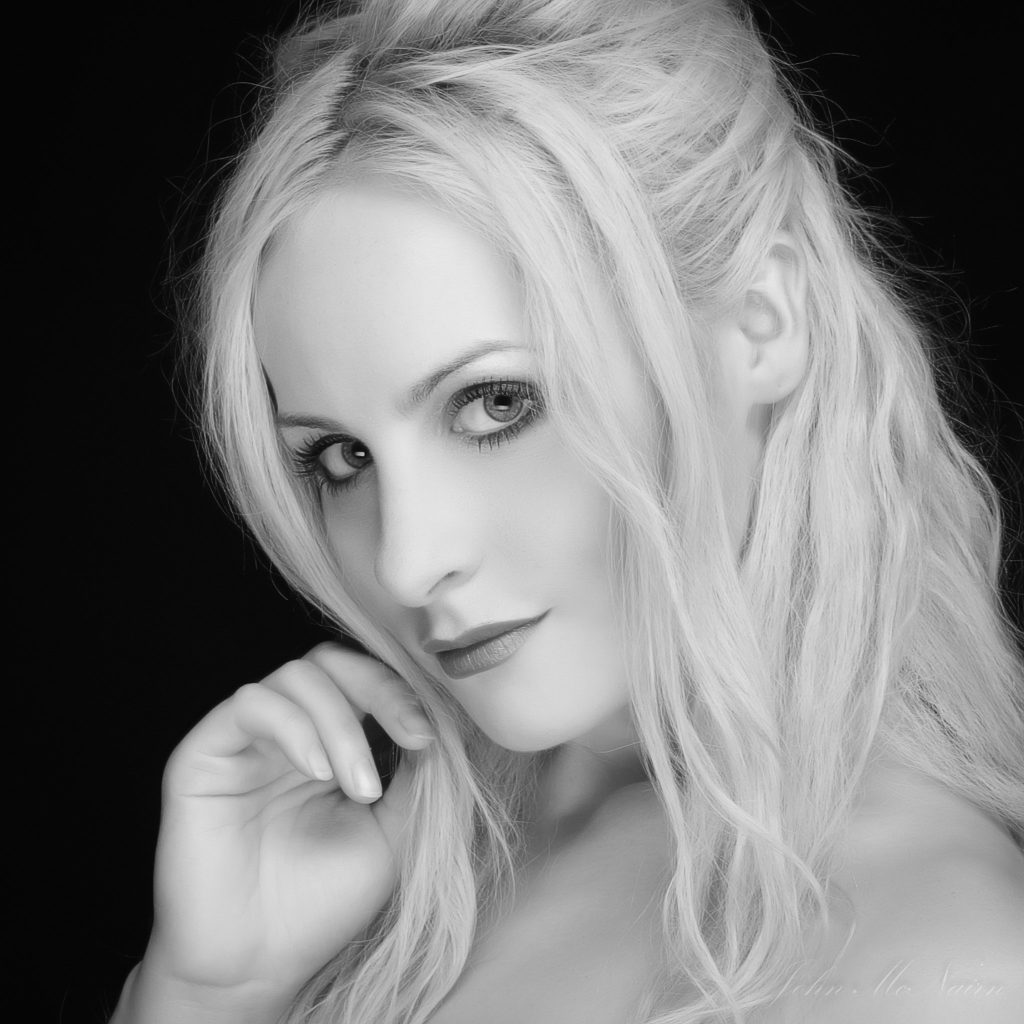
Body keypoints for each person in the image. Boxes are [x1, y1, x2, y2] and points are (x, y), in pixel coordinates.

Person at [110, 1, 1024, 1021]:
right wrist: (208, 991)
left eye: (497, 405)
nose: (406, 563)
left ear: (763, 323)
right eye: (341, 458)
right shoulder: (365, 864)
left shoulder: (934, 960)